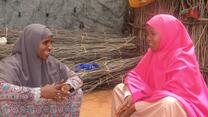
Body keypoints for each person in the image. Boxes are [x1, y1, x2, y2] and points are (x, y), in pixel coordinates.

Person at [112, 14, 208, 117]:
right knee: (120, 90)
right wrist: (131, 94)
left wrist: (136, 105)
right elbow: (135, 76)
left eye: (153, 34)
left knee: (169, 104)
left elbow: (173, 93)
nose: (148, 38)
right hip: (154, 101)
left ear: (168, 34)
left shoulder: (182, 58)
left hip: (183, 107)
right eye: (147, 34)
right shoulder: (153, 54)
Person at [0, 24, 83, 116]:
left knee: (77, 93)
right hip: (23, 107)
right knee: (5, 103)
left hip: (44, 108)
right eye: (45, 42)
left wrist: (67, 87)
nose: (50, 47)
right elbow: (1, 88)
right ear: (32, 43)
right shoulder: (10, 64)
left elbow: (76, 77)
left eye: (51, 42)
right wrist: (40, 92)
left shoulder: (51, 62)